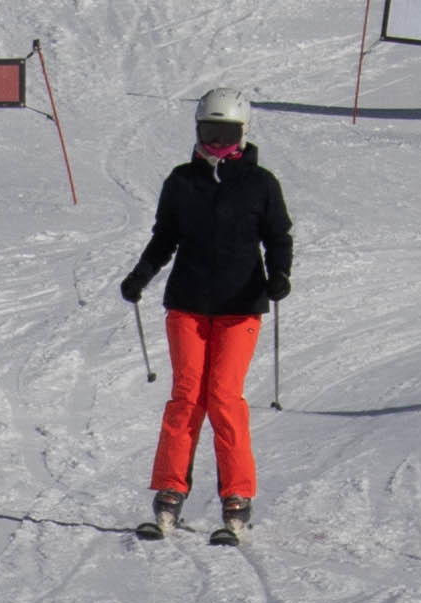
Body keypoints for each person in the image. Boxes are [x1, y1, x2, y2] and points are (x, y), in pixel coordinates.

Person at [118, 87, 293, 546]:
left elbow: (278, 236)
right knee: (186, 397)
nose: (216, 143)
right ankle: (170, 492)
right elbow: (164, 238)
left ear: (243, 134)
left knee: (223, 397)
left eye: (226, 134)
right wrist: (140, 275)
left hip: (240, 307)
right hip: (188, 304)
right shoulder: (181, 181)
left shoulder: (260, 184)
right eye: (208, 132)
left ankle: (237, 496)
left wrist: (279, 275)